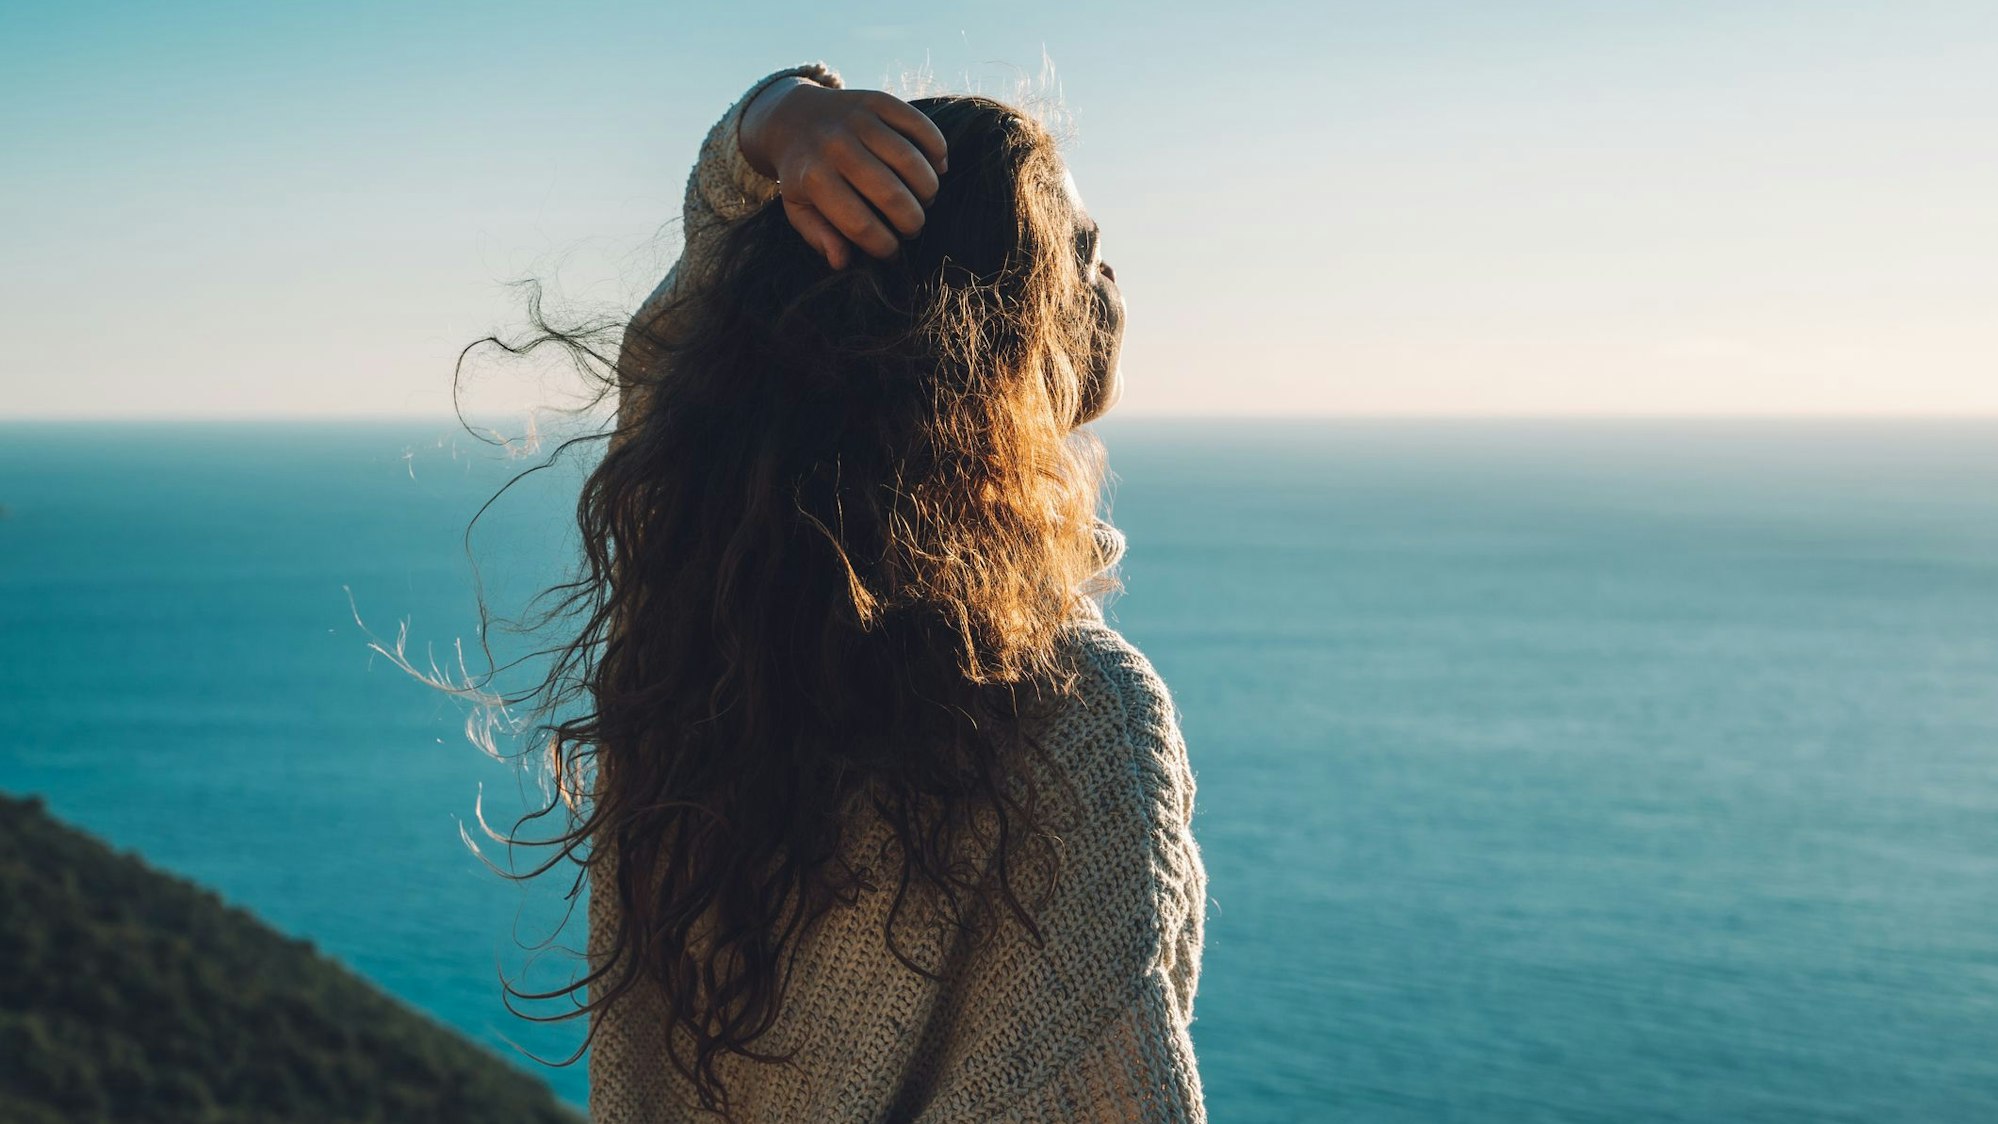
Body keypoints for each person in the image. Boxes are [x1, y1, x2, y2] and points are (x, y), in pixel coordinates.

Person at [562, 62, 1208, 1122]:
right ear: (994, 336)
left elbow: (673, 348)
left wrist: (780, 120)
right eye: (1082, 257)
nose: (1112, 287)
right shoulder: (1078, 717)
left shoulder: (697, 619)